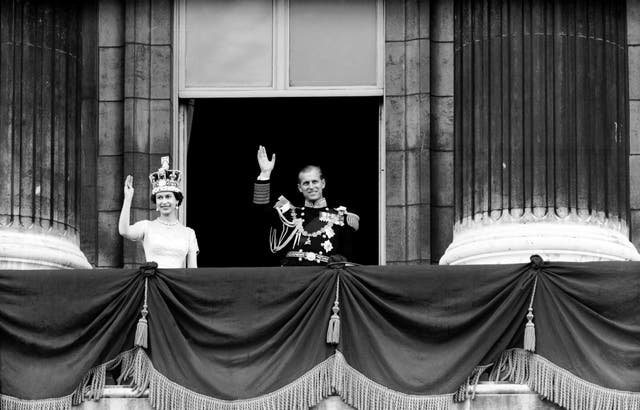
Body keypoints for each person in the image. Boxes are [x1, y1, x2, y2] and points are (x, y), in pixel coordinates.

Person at [253, 145, 359, 266]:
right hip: (293, 279)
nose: (311, 187)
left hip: (324, 279)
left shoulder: (339, 217)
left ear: (323, 183)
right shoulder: (290, 215)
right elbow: (260, 213)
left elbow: (349, 259)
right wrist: (265, 175)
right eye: (306, 183)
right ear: (300, 188)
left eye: (315, 182)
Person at [119, 156, 198, 268]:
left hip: (176, 285)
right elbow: (124, 231)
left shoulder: (189, 233)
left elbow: (193, 271)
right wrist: (128, 198)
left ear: (177, 200)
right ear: (156, 203)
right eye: (160, 198)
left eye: (168, 196)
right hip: (153, 283)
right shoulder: (146, 226)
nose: (164, 201)